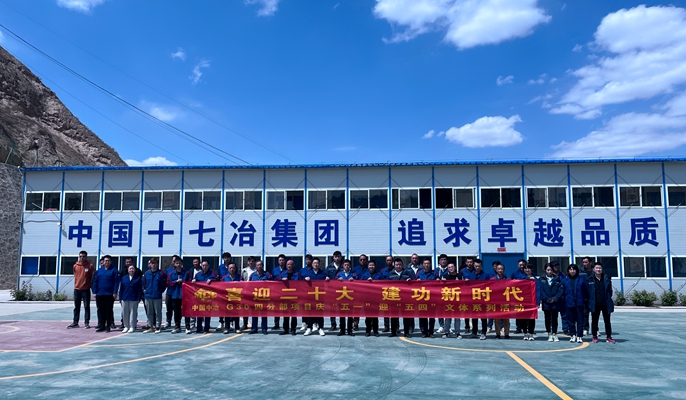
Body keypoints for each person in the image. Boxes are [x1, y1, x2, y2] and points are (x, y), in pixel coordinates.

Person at [588, 262, 616, 344]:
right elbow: (588, 292)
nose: (598, 269)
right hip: (595, 303)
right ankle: (594, 336)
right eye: (597, 268)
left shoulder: (606, 278)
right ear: (594, 269)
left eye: (600, 268)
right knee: (594, 321)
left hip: (605, 303)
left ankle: (609, 337)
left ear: (602, 269)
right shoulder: (590, 279)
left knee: (607, 321)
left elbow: (610, 291)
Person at [92, 255, 119, 333]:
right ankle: (101, 326)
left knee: (108, 311)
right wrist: (94, 291)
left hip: (109, 294)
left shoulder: (114, 270)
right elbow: (95, 281)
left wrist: (115, 292)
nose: (106, 262)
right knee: (100, 310)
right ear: (103, 262)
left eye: (108, 260)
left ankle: (108, 326)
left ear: (111, 261)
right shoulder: (99, 271)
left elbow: (116, 282)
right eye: (105, 261)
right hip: (100, 294)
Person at [68, 250, 94, 329]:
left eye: (83, 256)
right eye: (80, 256)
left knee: (86, 306)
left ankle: (87, 322)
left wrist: (90, 285)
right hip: (77, 289)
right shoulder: (75, 266)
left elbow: (91, 277)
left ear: (86, 257)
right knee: (76, 307)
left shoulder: (90, 266)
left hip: (86, 289)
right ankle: (75, 322)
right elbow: (75, 275)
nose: (82, 258)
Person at [563, 264, 588, 343]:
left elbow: (585, 291)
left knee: (580, 320)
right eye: (570, 269)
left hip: (579, 303)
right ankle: (573, 335)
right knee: (570, 320)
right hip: (569, 303)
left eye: (574, 269)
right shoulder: (564, 280)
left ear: (576, 271)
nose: (572, 271)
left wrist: (584, 300)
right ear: (568, 271)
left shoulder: (581, 280)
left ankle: (579, 336)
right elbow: (562, 292)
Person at [302, 257, 327, 336]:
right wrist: (305, 279)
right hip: (310, 296)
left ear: (319, 264)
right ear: (312, 264)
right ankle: (309, 328)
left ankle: (321, 328)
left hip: (320, 296)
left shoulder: (323, 273)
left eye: (317, 263)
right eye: (314, 263)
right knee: (310, 312)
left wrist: (327, 279)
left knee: (320, 312)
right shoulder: (308, 273)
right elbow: (301, 282)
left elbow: (328, 282)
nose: (316, 264)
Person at [539, 263, 564, 342]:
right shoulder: (541, 279)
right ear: (545, 270)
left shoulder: (557, 279)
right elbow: (541, 290)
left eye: (551, 270)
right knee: (547, 318)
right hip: (546, 302)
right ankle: (549, 333)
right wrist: (547, 299)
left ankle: (554, 333)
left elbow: (560, 290)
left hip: (555, 302)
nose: (549, 272)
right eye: (548, 270)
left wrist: (555, 298)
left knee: (554, 318)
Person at [167, 257, 191, 334]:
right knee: (176, 311)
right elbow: (168, 283)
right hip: (175, 294)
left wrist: (183, 281)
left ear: (182, 264)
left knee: (186, 311)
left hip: (185, 295)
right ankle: (177, 326)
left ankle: (187, 326)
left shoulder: (186, 273)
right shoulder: (171, 273)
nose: (178, 265)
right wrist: (175, 282)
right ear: (174, 264)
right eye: (177, 263)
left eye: (180, 263)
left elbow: (190, 282)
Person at [142, 258, 166, 333]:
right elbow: (143, 283)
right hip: (148, 296)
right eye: (152, 264)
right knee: (149, 312)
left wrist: (159, 291)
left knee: (158, 312)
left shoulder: (161, 274)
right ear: (150, 264)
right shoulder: (147, 273)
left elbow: (164, 284)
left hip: (157, 296)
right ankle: (150, 326)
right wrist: (144, 289)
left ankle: (158, 326)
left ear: (157, 264)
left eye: (155, 263)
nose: (153, 265)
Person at [194, 260, 218, 334]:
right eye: (203, 265)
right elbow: (194, 283)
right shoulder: (198, 274)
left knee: (207, 313)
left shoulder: (212, 274)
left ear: (208, 266)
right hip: (200, 296)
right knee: (199, 313)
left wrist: (212, 280)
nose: (204, 267)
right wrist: (194, 280)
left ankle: (206, 328)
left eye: (206, 265)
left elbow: (218, 280)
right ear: (201, 266)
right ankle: (199, 328)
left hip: (208, 297)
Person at [360, 260, 383, 337]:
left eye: (373, 265)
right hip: (366, 298)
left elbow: (382, 285)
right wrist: (366, 281)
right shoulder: (364, 275)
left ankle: (376, 331)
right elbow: (360, 284)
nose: (371, 267)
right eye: (370, 265)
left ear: (375, 266)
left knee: (375, 316)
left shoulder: (378, 275)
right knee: (368, 316)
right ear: (368, 266)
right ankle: (368, 331)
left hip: (376, 298)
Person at [249, 260, 272, 335]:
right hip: (255, 297)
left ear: (263, 265)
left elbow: (272, 285)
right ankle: (254, 328)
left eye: (261, 265)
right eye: (258, 265)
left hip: (264, 297)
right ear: (255, 266)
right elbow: (249, 285)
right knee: (254, 314)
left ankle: (264, 329)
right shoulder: (253, 275)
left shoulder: (267, 274)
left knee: (264, 314)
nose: (259, 266)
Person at [277, 259, 300, 335]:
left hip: (294, 297)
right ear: (286, 266)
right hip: (285, 297)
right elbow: (276, 282)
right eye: (288, 264)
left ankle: (293, 329)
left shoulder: (297, 274)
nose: (289, 266)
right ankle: (286, 329)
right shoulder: (283, 274)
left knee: (294, 315)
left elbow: (302, 284)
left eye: (290, 264)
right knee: (285, 314)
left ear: (293, 265)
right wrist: (281, 280)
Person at [469, 259, 490, 340]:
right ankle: (474, 332)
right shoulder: (471, 275)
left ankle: (483, 332)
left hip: (482, 299)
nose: (477, 268)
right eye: (476, 266)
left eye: (479, 266)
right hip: (473, 299)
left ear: (481, 266)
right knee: (474, 317)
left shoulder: (485, 275)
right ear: (474, 266)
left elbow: (489, 286)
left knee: (483, 317)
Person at [416, 258, 438, 338]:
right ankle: (424, 332)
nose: (427, 265)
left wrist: (438, 280)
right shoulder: (419, 273)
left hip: (432, 298)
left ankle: (431, 332)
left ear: (430, 264)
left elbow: (439, 285)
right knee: (423, 316)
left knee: (432, 316)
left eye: (428, 263)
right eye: (425, 263)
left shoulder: (434, 274)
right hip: (422, 298)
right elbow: (414, 285)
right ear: (423, 264)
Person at [119, 264, 143, 333]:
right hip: (125, 297)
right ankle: (126, 326)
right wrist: (120, 298)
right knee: (125, 313)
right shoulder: (124, 278)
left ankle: (132, 326)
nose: (131, 270)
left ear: (135, 270)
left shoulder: (138, 278)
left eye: (133, 269)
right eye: (130, 269)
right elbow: (121, 289)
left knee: (133, 313)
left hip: (134, 298)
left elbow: (139, 289)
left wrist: (139, 298)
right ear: (128, 270)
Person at [441, 263, 462, 339]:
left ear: (455, 267)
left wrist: (460, 282)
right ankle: (446, 332)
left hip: (457, 299)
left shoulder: (459, 276)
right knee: (447, 317)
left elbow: (463, 287)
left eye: (452, 267)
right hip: (448, 299)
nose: (451, 268)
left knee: (457, 318)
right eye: (449, 267)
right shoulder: (445, 276)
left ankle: (457, 332)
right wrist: (442, 282)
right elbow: (441, 287)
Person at [490, 262, 511, 339]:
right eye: (498, 269)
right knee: (497, 320)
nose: (500, 270)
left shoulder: (508, 279)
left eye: (501, 269)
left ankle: (506, 334)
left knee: (506, 320)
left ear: (504, 270)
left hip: (505, 302)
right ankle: (498, 334)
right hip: (496, 302)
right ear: (496, 270)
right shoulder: (492, 280)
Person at [221, 262, 242, 333]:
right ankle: (227, 328)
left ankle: (237, 327)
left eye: (233, 268)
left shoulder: (240, 277)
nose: (232, 269)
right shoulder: (224, 278)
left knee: (236, 314)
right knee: (227, 313)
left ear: (235, 269)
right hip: (227, 299)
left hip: (237, 298)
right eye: (230, 268)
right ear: (228, 269)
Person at [325, 251, 343, 332]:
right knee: (332, 308)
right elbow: (325, 275)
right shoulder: (329, 267)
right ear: (333, 257)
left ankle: (342, 325)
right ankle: (333, 324)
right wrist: (326, 278)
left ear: (341, 257)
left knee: (342, 307)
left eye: (338, 256)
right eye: (336, 257)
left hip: (342, 290)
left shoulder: (344, 266)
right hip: (332, 290)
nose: (337, 258)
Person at [510, 259, 528, 334]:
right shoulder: (514, 274)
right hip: (517, 296)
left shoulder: (528, 273)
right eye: (520, 265)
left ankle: (526, 328)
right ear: (518, 265)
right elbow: (510, 283)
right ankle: (518, 328)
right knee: (518, 312)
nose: (522, 266)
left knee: (527, 312)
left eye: (523, 265)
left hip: (526, 296)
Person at [522, 263, 538, 341]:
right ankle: (525, 333)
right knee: (523, 318)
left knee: (532, 318)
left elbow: (538, 290)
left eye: (529, 268)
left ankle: (531, 333)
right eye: (525, 268)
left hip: (532, 301)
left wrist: (538, 302)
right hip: (523, 301)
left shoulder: (535, 279)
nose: (527, 270)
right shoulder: (521, 278)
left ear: (532, 269)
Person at [216, 252, 232, 332]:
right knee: (221, 306)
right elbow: (218, 277)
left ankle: (231, 322)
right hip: (222, 289)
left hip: (231, 289)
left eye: (227, 258)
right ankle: (221, 322)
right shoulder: (220, 267)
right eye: (225, 258)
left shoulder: (232, 265)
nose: (226, 259)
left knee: (231, 306)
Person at [241, 256, 258, 331]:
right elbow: (241, 279)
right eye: (250, 261)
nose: (251, 262)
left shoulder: (257, 270)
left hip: (255, 291)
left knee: (255, 308)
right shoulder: (244, 270)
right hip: (246, 291)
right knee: (245, 308)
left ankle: (255, 325)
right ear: (248, 262)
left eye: (253, 261)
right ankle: (245, 324)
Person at [270, 254, 287, 331]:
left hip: (286, 292)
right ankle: (276, 324)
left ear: (285, 261)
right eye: (280, 260)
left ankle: (285, 325)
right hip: (277, 291)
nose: (281, 261)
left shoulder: (288, 269)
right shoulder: (275, 270)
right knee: (276, 308)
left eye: (282, 260)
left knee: (285, 308)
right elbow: (272, 280)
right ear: (278, 261)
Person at [434, 254, 449, 334]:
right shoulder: (435, 270)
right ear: (439, 261)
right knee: (440, 309)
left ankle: (448, 326)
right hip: (438, 293)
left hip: (448, 293)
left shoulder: (450, 269)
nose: (443, 261)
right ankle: (441, 326)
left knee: (448, 309)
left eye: (445, 259)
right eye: (441, 260)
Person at [164, 255, 180, 330]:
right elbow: (166, 281)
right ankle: (168, 321)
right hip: (170, 292)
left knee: (177, 309)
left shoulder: (182, 271)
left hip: (178, 293)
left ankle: (177, 323)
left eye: (176, 261)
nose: (174, 263)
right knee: (168, 308)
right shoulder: (168, 270)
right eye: (173, 261)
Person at [380, 255, 394, 333]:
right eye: (388, 260)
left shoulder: (395, 270)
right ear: (386, 261)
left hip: (394, 292)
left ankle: (396, 327)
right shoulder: (382, 271)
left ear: (392, 261)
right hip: (385, 292)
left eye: (390, 260)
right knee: (386, 309)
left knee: (394, 310)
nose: (389, 262)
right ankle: (386, 326)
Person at [461, 256, 475, 334]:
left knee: (474, 310)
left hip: (475, 294)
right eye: (468, 262)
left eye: (471, 262)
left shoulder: (476, 270)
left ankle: (475, 328)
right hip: (466, 294)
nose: (469, 263)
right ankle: (467, 326)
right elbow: (459, 280)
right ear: (466, 263)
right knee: (466, 310)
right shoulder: (462, 271)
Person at [581, 256, 594, 335]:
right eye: (583, 262)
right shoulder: (580, 272)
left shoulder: (594, 271)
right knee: (585, 313)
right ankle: (585, 328)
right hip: (584, 296)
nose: (584, 264)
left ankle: (595, 329)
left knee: (594, 313)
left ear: (590, 263)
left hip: (593, 295)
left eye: (586, 262)